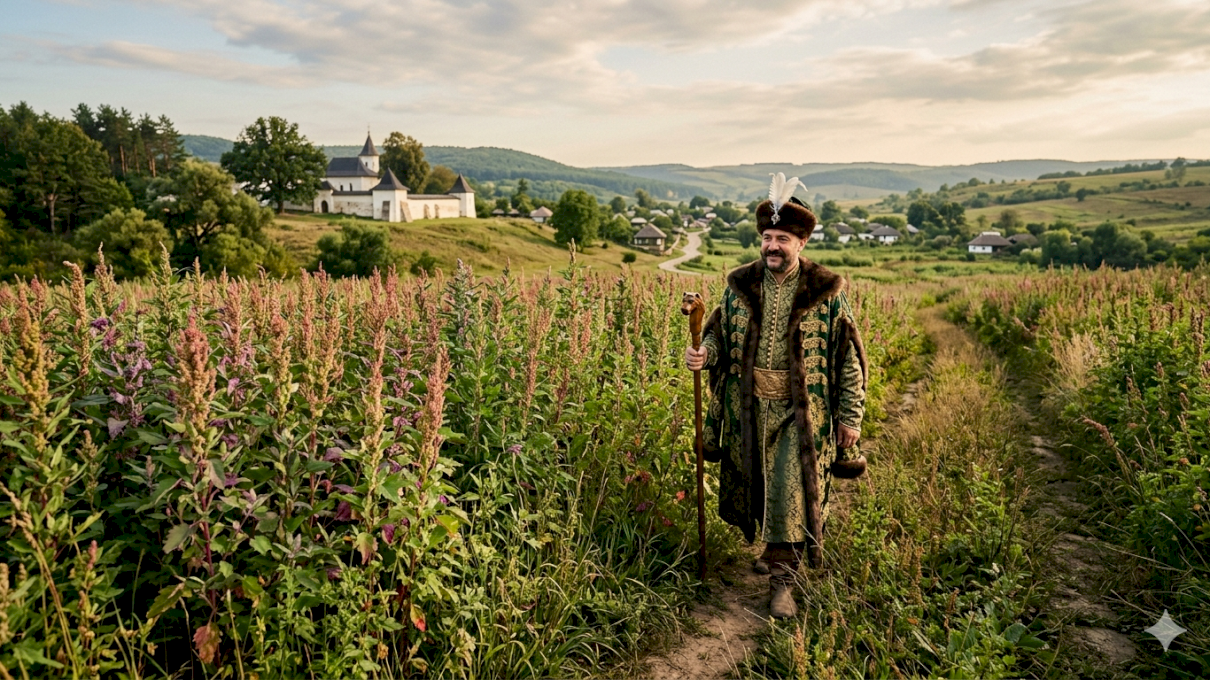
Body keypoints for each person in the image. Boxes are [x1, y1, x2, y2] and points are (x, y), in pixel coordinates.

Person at [684, 191, 867, 620]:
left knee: (788, 488)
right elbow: (717, 336)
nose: (772, 245)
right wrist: (704, 354)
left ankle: (783, 583)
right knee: (761, 488)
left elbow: (848, 358)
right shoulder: (740, 286)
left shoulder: (825, 291)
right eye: (767, 236)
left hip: (802, 415)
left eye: (783, 237)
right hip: (748, 411)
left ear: (801, 243)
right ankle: (773, 549)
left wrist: (850, 417)